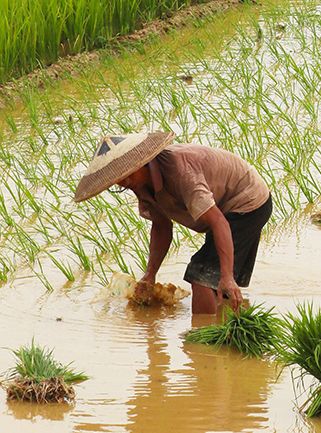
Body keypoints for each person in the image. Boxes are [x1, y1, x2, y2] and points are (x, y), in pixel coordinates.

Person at [74, 132, 273, 313]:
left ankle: (202, 335)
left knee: (201, 275)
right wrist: (150, 274)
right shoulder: (139, 183)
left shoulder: (181, 173)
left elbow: (219, 222)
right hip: (223, 208)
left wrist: (227, 276)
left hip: (247, 202)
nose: (125, 182)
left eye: (128, 174)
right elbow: (161, 225)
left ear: (143, 162)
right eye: (118, 179)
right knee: (214, 277)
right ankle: (225, 322)